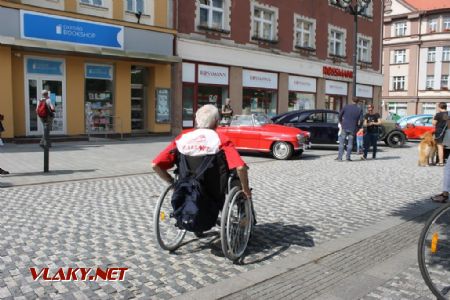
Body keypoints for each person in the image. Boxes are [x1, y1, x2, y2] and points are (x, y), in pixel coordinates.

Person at [152, 104, 251, 199]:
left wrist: (173, 183)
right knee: (235, 174)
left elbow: (155, 165)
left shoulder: (183, 138)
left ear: (196, 120)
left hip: (187, 187)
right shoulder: (221, 140)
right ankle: (242, 210)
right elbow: (241, 168)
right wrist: (246, 190)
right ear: (217, 122)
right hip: (215, 190)